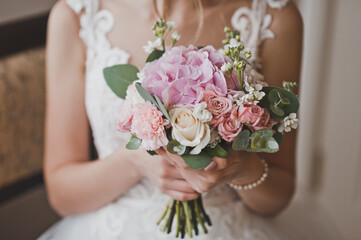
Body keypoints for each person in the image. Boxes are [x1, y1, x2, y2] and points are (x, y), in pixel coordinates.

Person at [40, 0, 305, 239]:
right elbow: (62, 195)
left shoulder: (275, 17)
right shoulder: (76, 16)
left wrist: (243, 169)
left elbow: (279, 196)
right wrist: (134, 161)